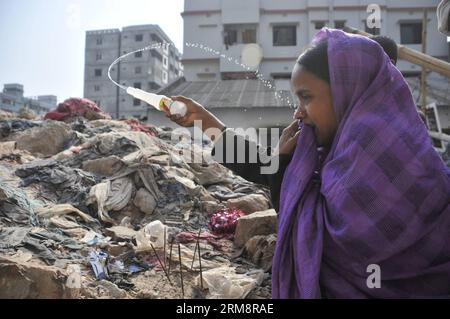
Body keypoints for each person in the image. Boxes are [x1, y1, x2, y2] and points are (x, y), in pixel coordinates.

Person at [164, 29, 450, 298]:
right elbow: (263, 165)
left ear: (347, 92)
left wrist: (283, 165)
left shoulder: (388, 154)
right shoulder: (334, 140)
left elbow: (319, 239)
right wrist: (201, 119)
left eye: (306, 97)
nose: (298, 112)